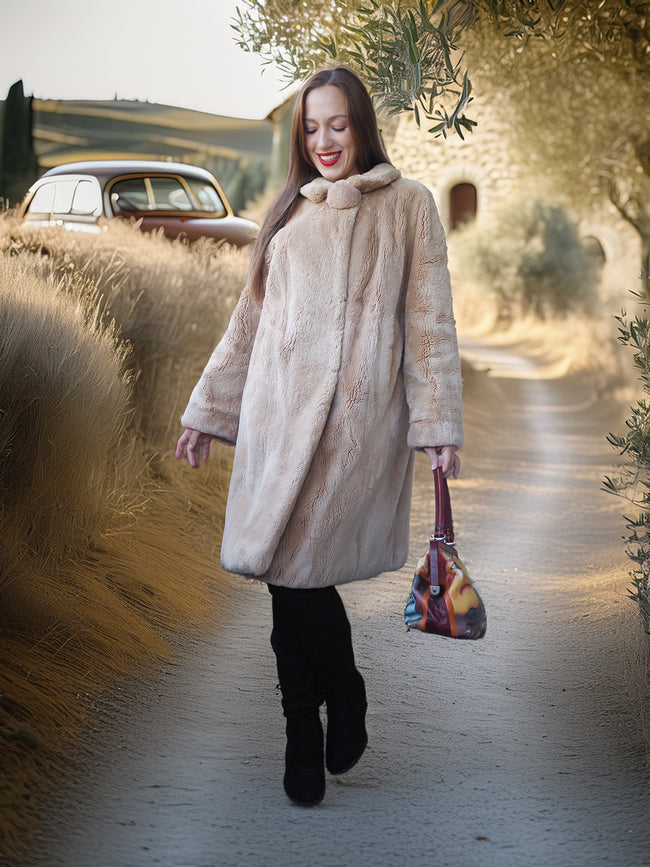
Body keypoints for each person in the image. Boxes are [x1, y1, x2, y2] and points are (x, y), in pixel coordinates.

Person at [175, 66, 463, 808]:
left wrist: (437, 427)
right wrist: (206, 411)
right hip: (277, 426)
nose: (324, 140)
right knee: (284, 576)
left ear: (362, 125)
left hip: (353, 431)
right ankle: (304, 728)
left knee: (298, 575)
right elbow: (250, 324)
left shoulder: (409, 206)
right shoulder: (287, 216)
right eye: (311, 127)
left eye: (337, 124)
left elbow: (430, 324)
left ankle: (344, 692)